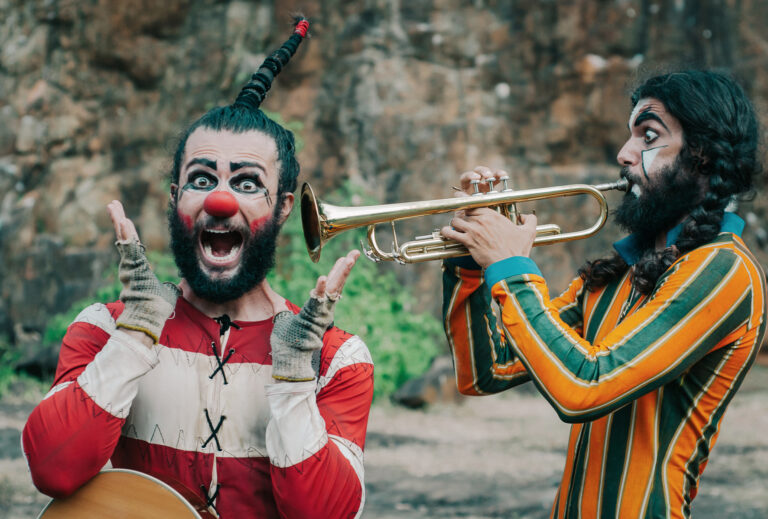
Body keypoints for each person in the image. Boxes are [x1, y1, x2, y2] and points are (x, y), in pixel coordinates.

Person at [23, 18, 374, 519]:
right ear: (175, 199)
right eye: (202, 178)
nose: (222, 199)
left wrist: (296, 378)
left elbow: (324, 514)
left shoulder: (337, 360)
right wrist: (135, 333)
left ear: (282, 207)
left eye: (249, 183)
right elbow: (52, 471)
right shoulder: (101, 328)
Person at [440, 70, 766, 518]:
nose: (623, 153)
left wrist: (511, 266)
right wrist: (470, 266)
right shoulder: (620, 272)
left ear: (702, 155)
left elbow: (586, 387)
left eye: (648, 136)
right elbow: (486, 373)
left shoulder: (724, 271)